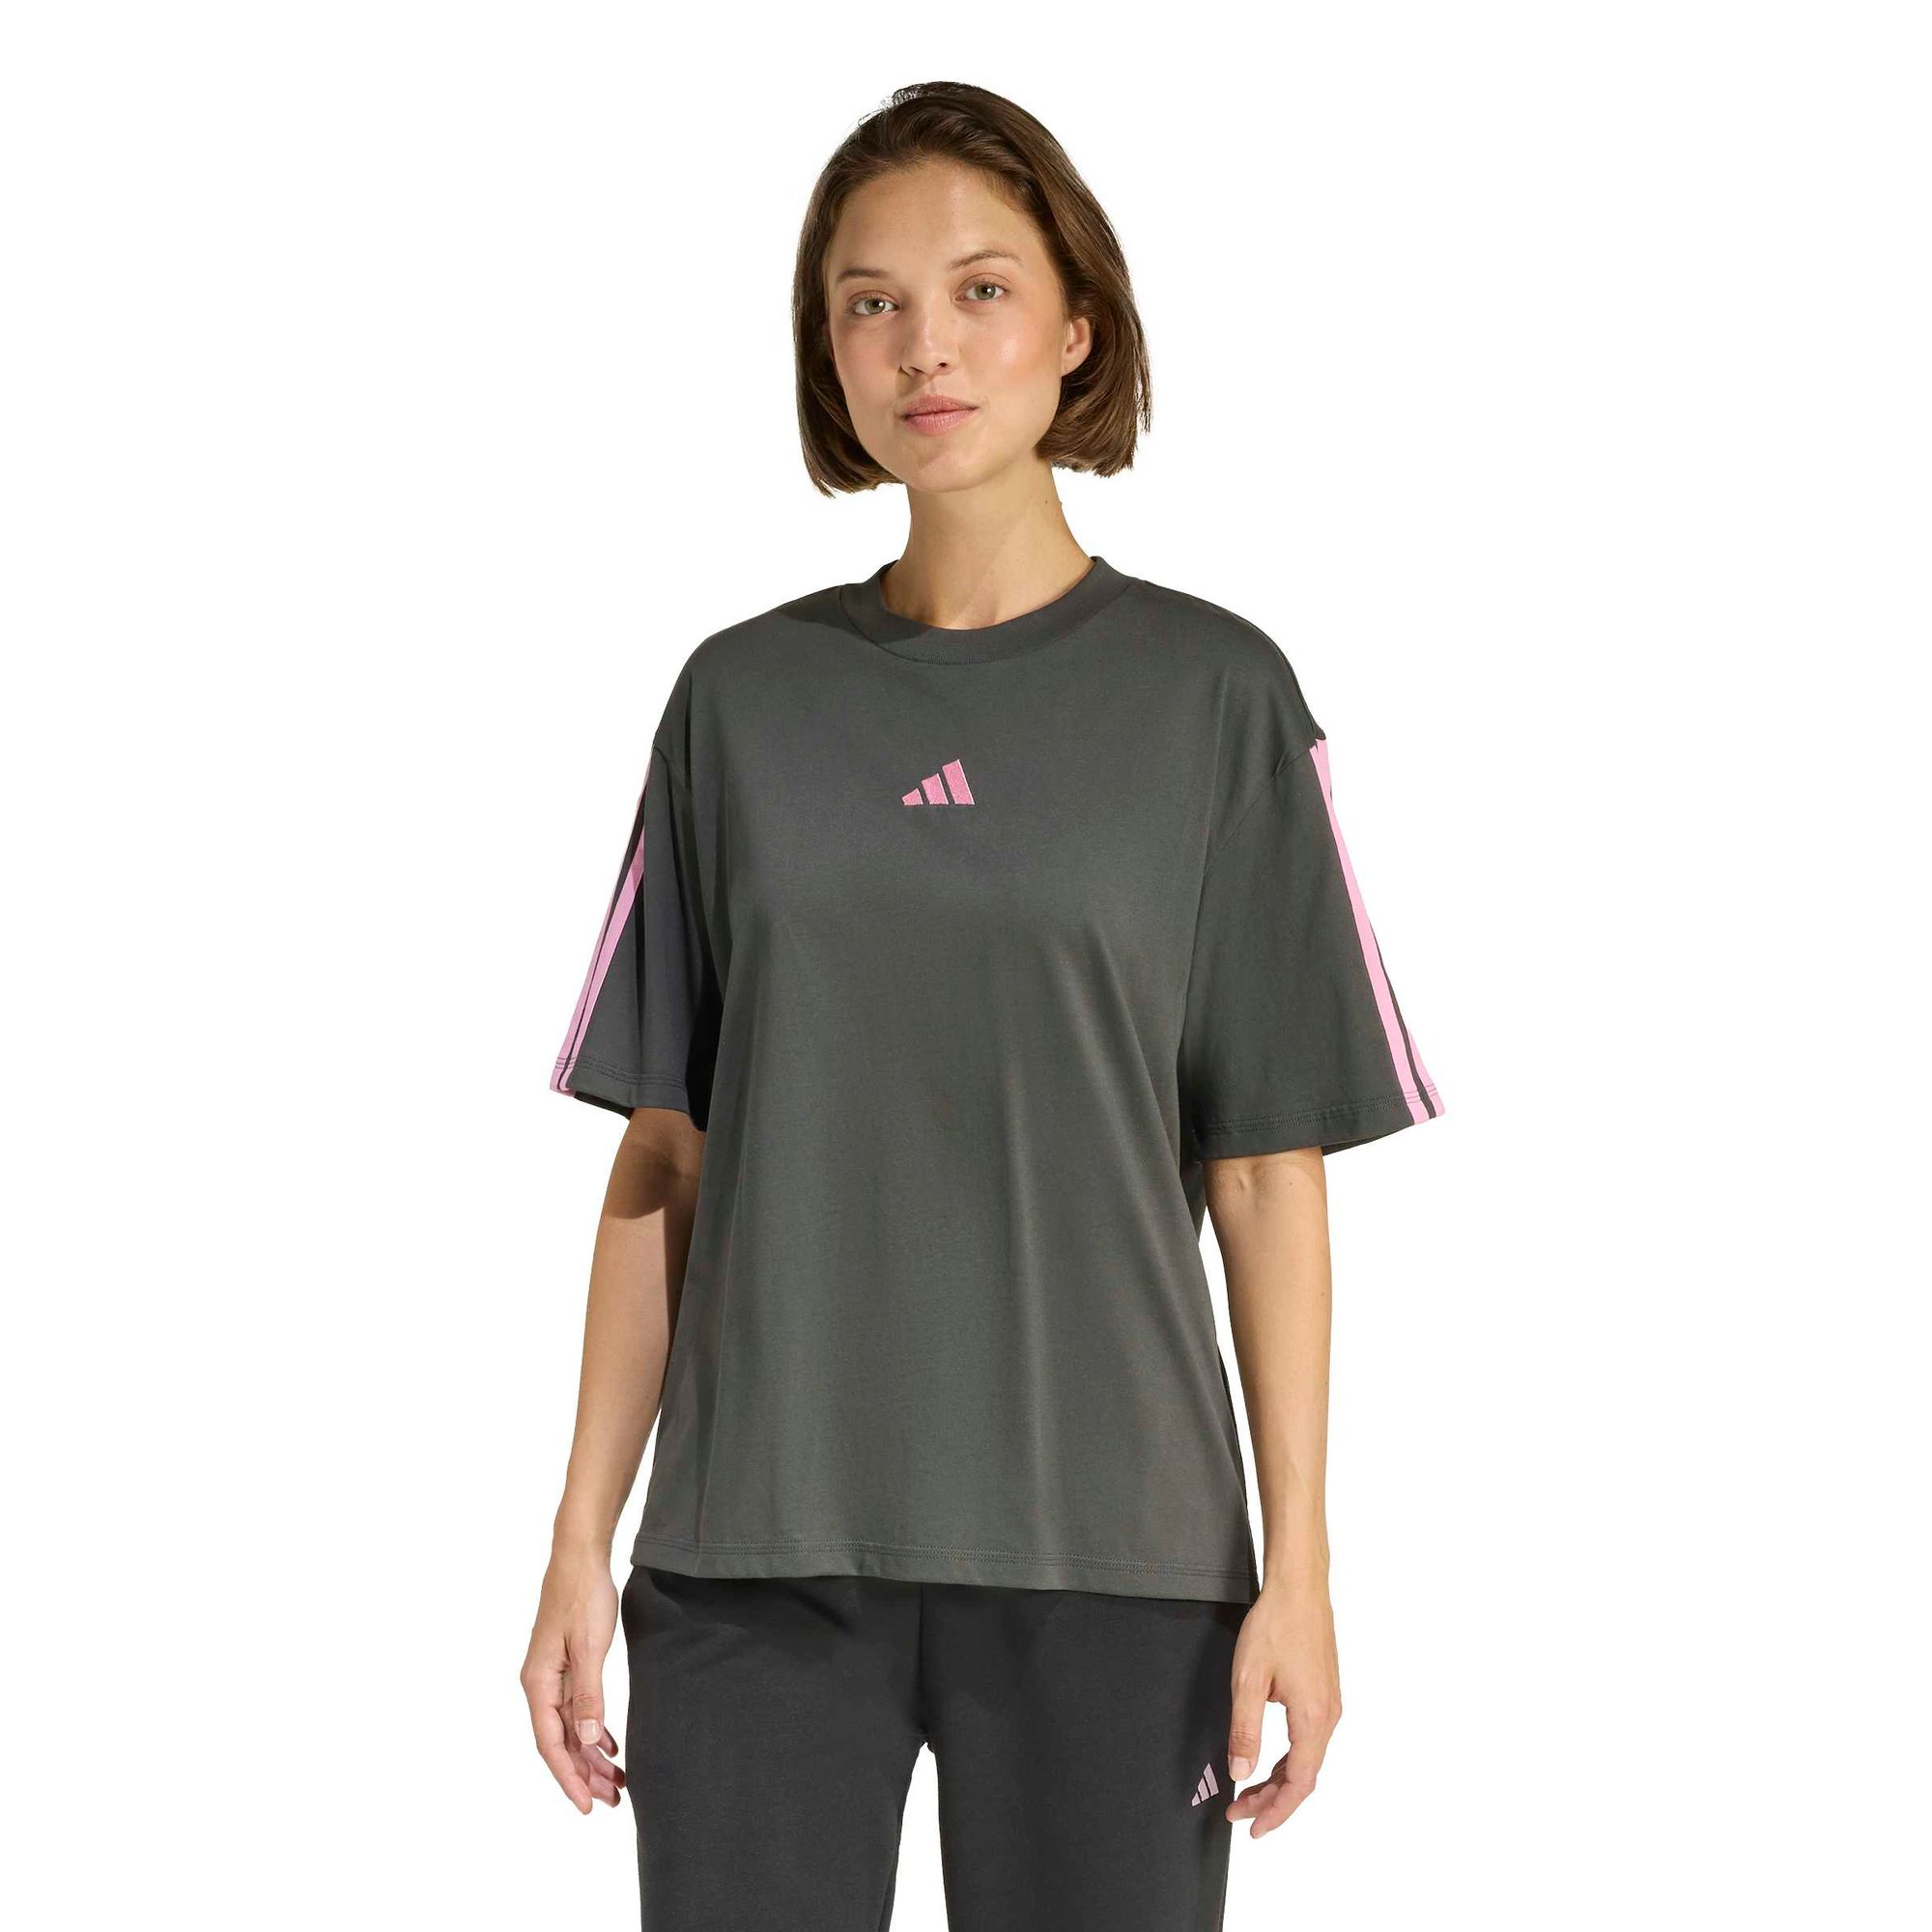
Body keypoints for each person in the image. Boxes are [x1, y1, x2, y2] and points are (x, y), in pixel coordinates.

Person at [521, 80, 1446, 1932]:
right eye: (868, 303)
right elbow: (665, 1158)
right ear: (829, 351)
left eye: (979, 291)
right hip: (754, 1562)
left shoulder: (1217, 701)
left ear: (1077, 325)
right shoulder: (738, 705)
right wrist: (574, 1540)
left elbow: (1266, 1171)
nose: (923, 347)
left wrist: (1305, 1569)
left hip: (1120, 1561)